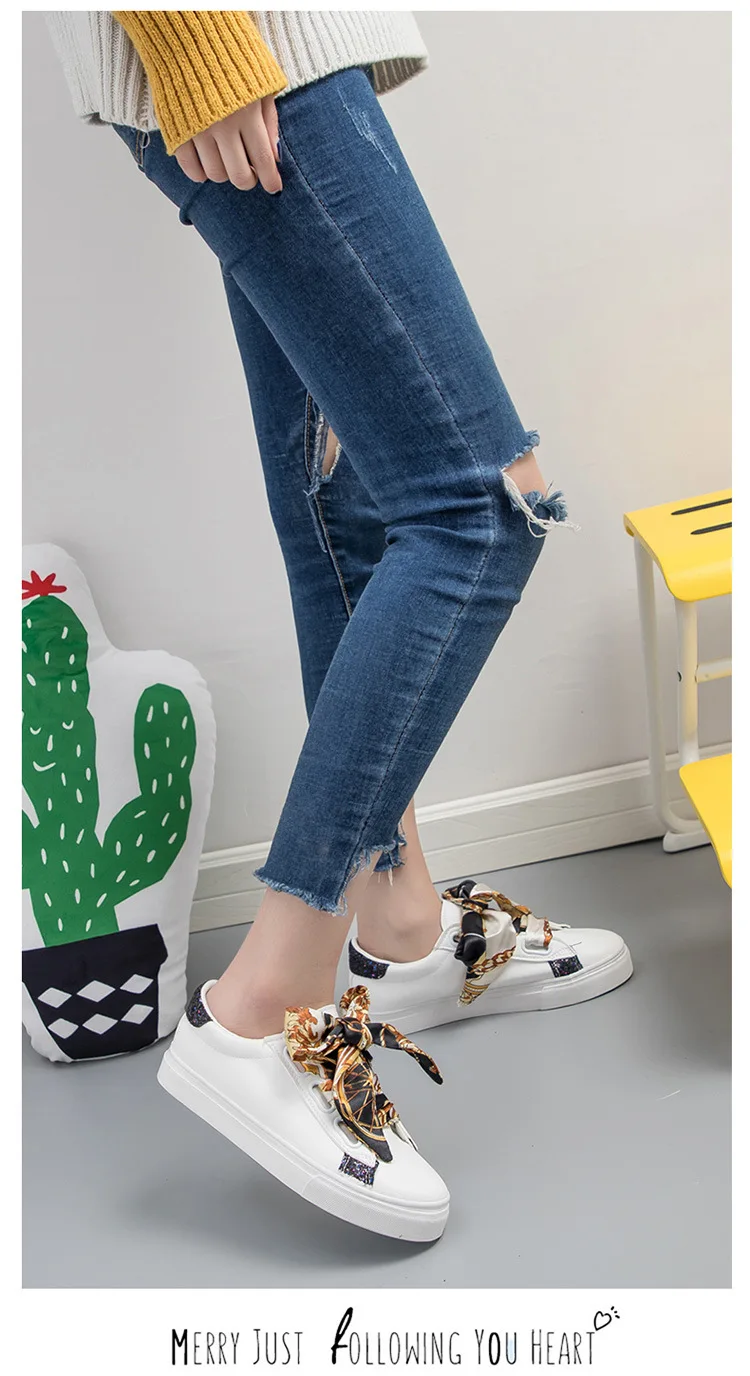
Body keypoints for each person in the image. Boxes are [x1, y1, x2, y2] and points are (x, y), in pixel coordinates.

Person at [46, 10, 632, 1242]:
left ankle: (400, 928)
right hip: (240, 47)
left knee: (348, 514)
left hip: (277, 50)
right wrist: (195, 36)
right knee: (480, 508)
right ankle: (263, 1005)